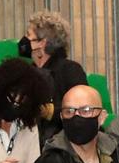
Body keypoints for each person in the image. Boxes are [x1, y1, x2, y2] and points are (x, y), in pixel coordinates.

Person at [20, 10, 86, 138]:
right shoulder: (25, 72)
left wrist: (49, 112)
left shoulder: (70, 70)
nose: (24, 40)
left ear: (42, 43)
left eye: (28, 35)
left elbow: (81, 109)